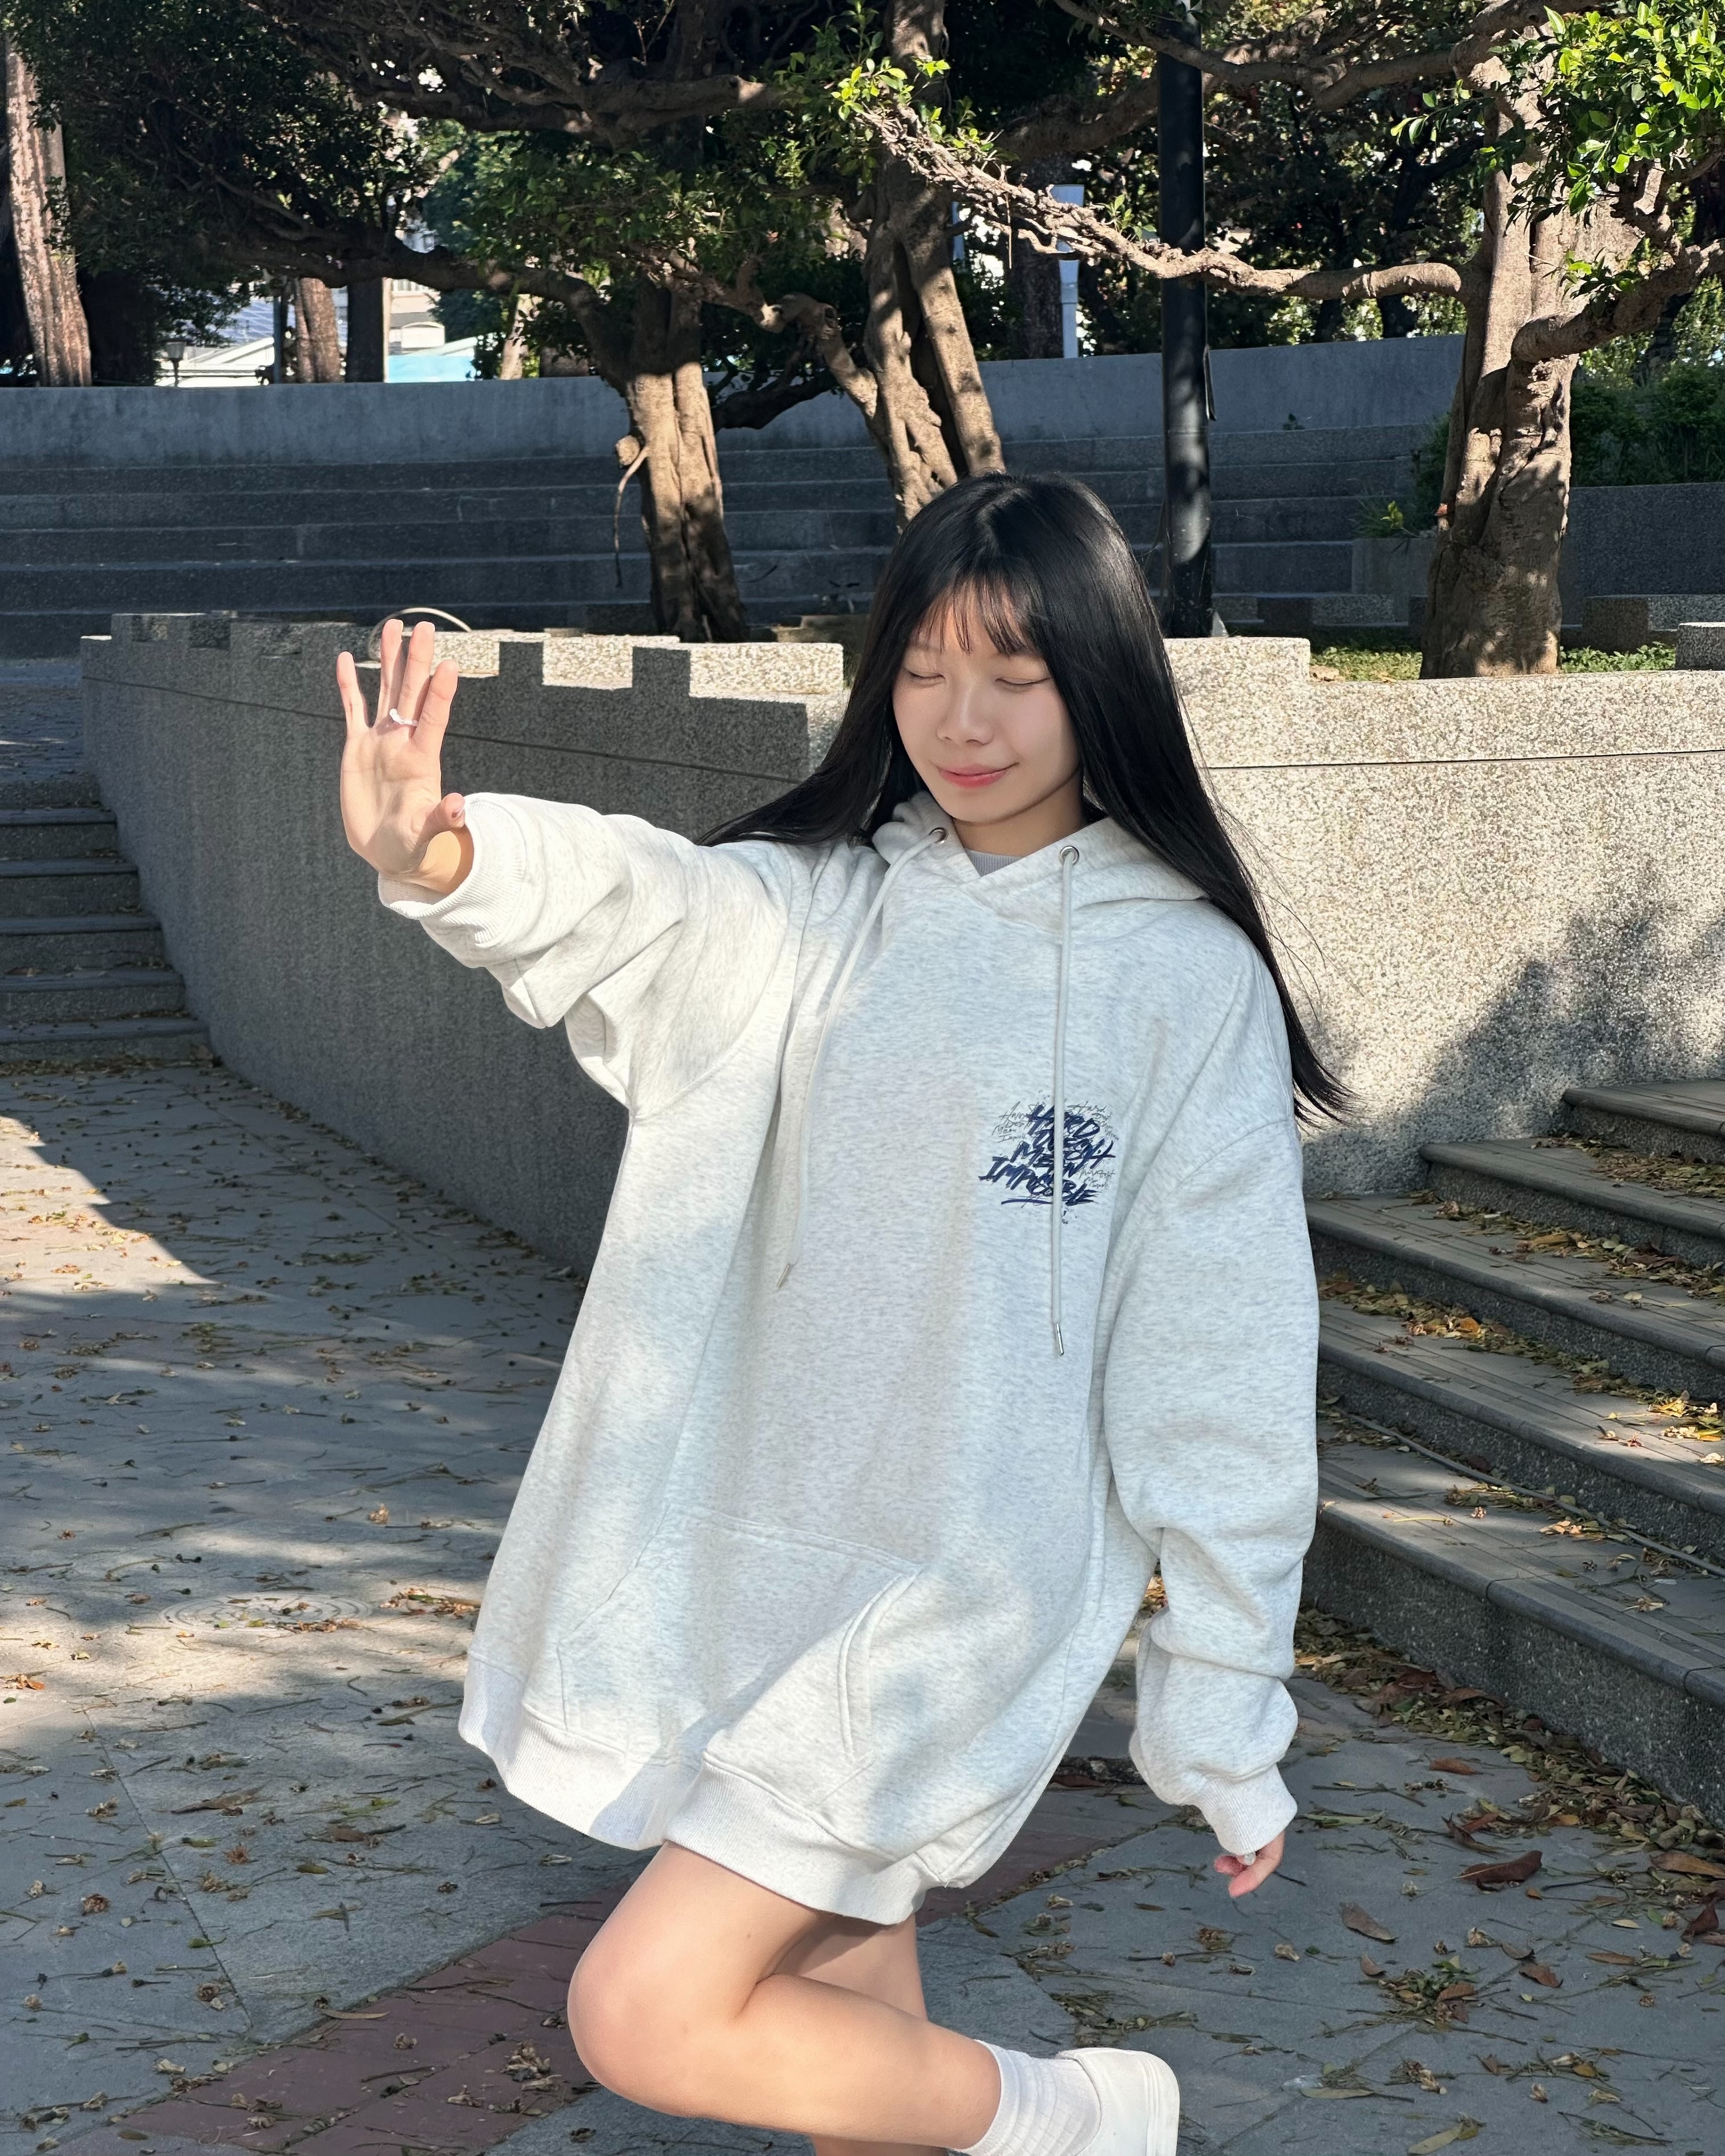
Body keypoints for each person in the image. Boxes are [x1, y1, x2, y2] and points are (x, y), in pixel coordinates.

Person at [337, 472, 1338, 2156]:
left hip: (961, 1596)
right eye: (925, 668)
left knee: (646, 2010)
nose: (964, 719)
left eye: (1015, 674)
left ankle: (1075, 2114)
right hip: (774, 1550)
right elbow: (652, 900)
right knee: (842, 2011)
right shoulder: (830, 908)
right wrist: (443, 849)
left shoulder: (1186, 982)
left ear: (1102, 679)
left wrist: (1222, 1704)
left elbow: (1220, 1362)